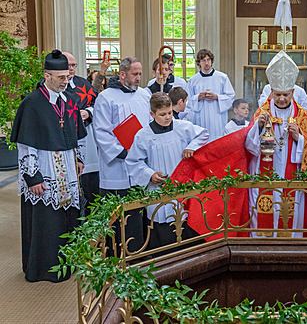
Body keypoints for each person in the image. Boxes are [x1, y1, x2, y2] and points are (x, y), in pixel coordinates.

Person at [10, 50, 87, 282]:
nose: (66, 81)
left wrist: (79, 159)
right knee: (46, 221)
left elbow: (78, 134)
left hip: (68, 167)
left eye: (67, 76)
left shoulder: (71, 100)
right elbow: (26, 144)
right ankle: (42, 269)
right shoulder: (32, 103)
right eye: (61, 77)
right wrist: (33, 177)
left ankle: (68, 265)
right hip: (44, 168)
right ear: (47, 75)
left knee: (68, 218)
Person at [245, 50, 307, 237]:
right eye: (278, 94)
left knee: (290, 214)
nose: (282, 99)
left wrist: (299, 139)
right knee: (264, 213)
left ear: (293, 92)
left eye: (286, 95)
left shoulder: (303, 117)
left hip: (292, 177)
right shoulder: (261, 113)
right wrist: (258, 127)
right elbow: (249, 147)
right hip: (265, 177)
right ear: (271, 92)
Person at [126, 92, 209, 250]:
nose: (168, 117)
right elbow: (133, 161)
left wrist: (191, 147)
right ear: (152, 114)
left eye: (170, 112)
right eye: (162, 114)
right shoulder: (143, 136)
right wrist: (150, 174)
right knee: (162, 234)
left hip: (182, 187)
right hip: (159, 190)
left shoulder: (182, 127)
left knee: (185, 230)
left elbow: (204, 134)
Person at [93, 57, 151, 254]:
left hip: (140, 165)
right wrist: (123, 151)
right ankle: (114, 257)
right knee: (116, 217)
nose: (138, 78)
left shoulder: (144, 94)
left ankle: (137, 255)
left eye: (140, 74)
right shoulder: (106, 97)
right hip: (116, 167)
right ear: (123, 74)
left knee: (137, 214)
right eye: (135, 74)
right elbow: (101, 130)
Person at [63, 52, 99, 209]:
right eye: (68, 65)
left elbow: (96, 104)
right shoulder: (49, 85)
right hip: (63, 139)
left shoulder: (83, 84)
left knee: (89, 183)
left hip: (85, 135)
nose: (71, 69)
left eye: (73, 65)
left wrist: (88, 112)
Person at [187, 49, 236, 141]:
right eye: (203, 60)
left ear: (211, 61)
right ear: (199, 63)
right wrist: (197, 98)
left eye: (208, 60)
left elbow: (230, 96)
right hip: (200, 117)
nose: (206, 63)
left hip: (217, 117)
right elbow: (188, 101)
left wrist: (217, 97)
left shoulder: (222, 77)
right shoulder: (193, 80)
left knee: (217, 141)